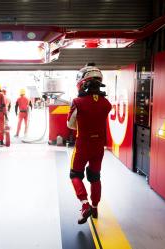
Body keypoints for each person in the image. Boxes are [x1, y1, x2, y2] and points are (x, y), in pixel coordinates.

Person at [67, 64, 112, 224]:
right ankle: (94, 208)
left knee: (75, 174)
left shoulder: (77, 102)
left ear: (81, 82)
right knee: (95, 177)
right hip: (99, 147)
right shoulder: (106, 103)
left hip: (82, 146)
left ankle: (84, 204)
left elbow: (70, 125)